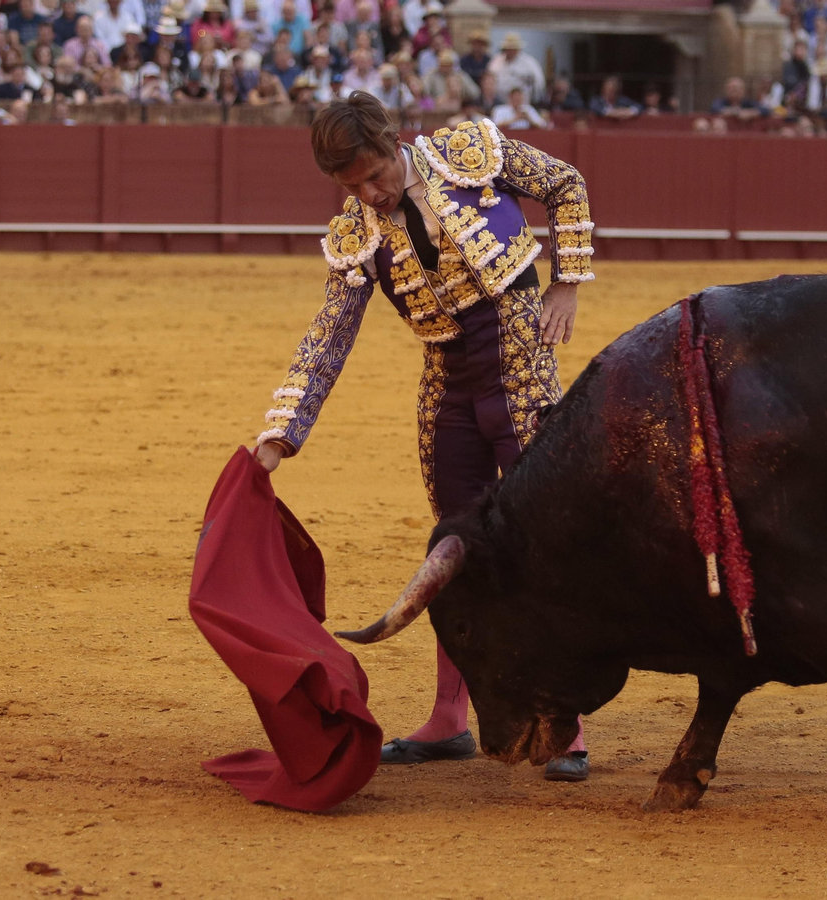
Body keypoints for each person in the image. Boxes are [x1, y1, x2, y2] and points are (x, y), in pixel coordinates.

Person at [253, 91, 596, 778]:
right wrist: (280, 435)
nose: (371, 195)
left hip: (520, 360)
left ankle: (566, 719)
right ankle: (449, 717)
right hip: (450, 380)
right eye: (352, 186)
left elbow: (565, 183)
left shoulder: (466, 152)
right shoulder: (356, 231)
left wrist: (568, 281)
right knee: (453, 546)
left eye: (374, 175)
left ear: (391, 142)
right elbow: (329, 337)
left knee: (542, 541)